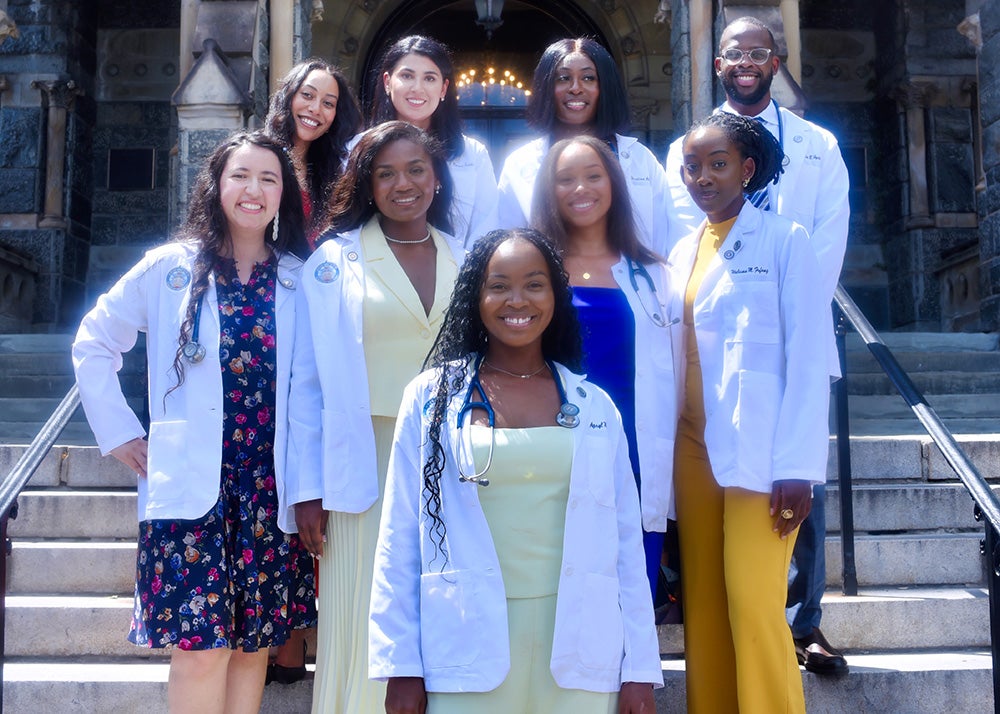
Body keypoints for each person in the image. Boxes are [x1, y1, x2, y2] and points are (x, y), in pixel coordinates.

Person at [369, 228, 662, 714]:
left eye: (534, 284)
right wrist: (400, 664)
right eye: (498, 285)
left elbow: (626, 546)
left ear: (555, 295)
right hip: (466, 647)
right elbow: (399, 537)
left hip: (580, 649)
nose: (516, 300)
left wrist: (639, 669)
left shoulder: (594, 406)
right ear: (475, 296)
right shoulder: (432, 398)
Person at [72, 131, 314, 713]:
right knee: (201, 649)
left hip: (268, 487)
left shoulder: (301, 281)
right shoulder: (169, 268)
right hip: (190, 491)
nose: (253, 190)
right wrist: (121, 430)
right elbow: (95, 340)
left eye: (268, 179)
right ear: (216, 185)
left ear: (284, 194)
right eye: (240, 176)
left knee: (253, 647)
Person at [664, 15, 851, 674]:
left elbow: (823, 247)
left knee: (757, 591)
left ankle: (810, 622)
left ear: (776, 60)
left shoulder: (817, 148)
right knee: (711, 608)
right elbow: (684, 254)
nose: (702, 174)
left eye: (757, 51)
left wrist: (774, 289)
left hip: (772, 380)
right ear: (715, 63)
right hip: (698, 417)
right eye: (732, 52)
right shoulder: (685, 197)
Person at [285, 120, 465, 714]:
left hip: (448, 458)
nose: (403, 183)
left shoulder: (467, 258)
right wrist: (308, 490)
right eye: (385, 173)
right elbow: (305, 385)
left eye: (416, 169)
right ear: (366, 184)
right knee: (363, 615)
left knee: (439, 607)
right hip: (362, 460)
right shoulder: (334, 262)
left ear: (437, 179)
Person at [530, 136, 679, 601]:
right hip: (558, 438)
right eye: (566, 178)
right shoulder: (534, 267)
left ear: (613, 183)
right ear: (548, 191)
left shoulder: (653, 273)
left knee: (628, 583)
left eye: (593, 175)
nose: (581, 188)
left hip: (635, 442)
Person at [497, 38, 671, 256]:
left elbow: (663, 242)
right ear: (546, 88)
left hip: (632, 286)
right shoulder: (520, 164)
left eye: (588, 78)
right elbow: (507, 245)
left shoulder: (640, 160)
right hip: (550, 287)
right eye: (564, 78)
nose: (576, 88)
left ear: (604, 87)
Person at [365, 34, 499, 249]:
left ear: (443, 89)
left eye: (429, 78)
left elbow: (486, 231)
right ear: (387, 82)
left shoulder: (472, 154)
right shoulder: (358, 149)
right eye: (407, 76)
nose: (417, 88)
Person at [265, 58, 363, 248]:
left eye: (328, 103)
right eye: (308, 95)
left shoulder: (337, 173)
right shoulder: (260, 157)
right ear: (289, 96)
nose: (315, 109)